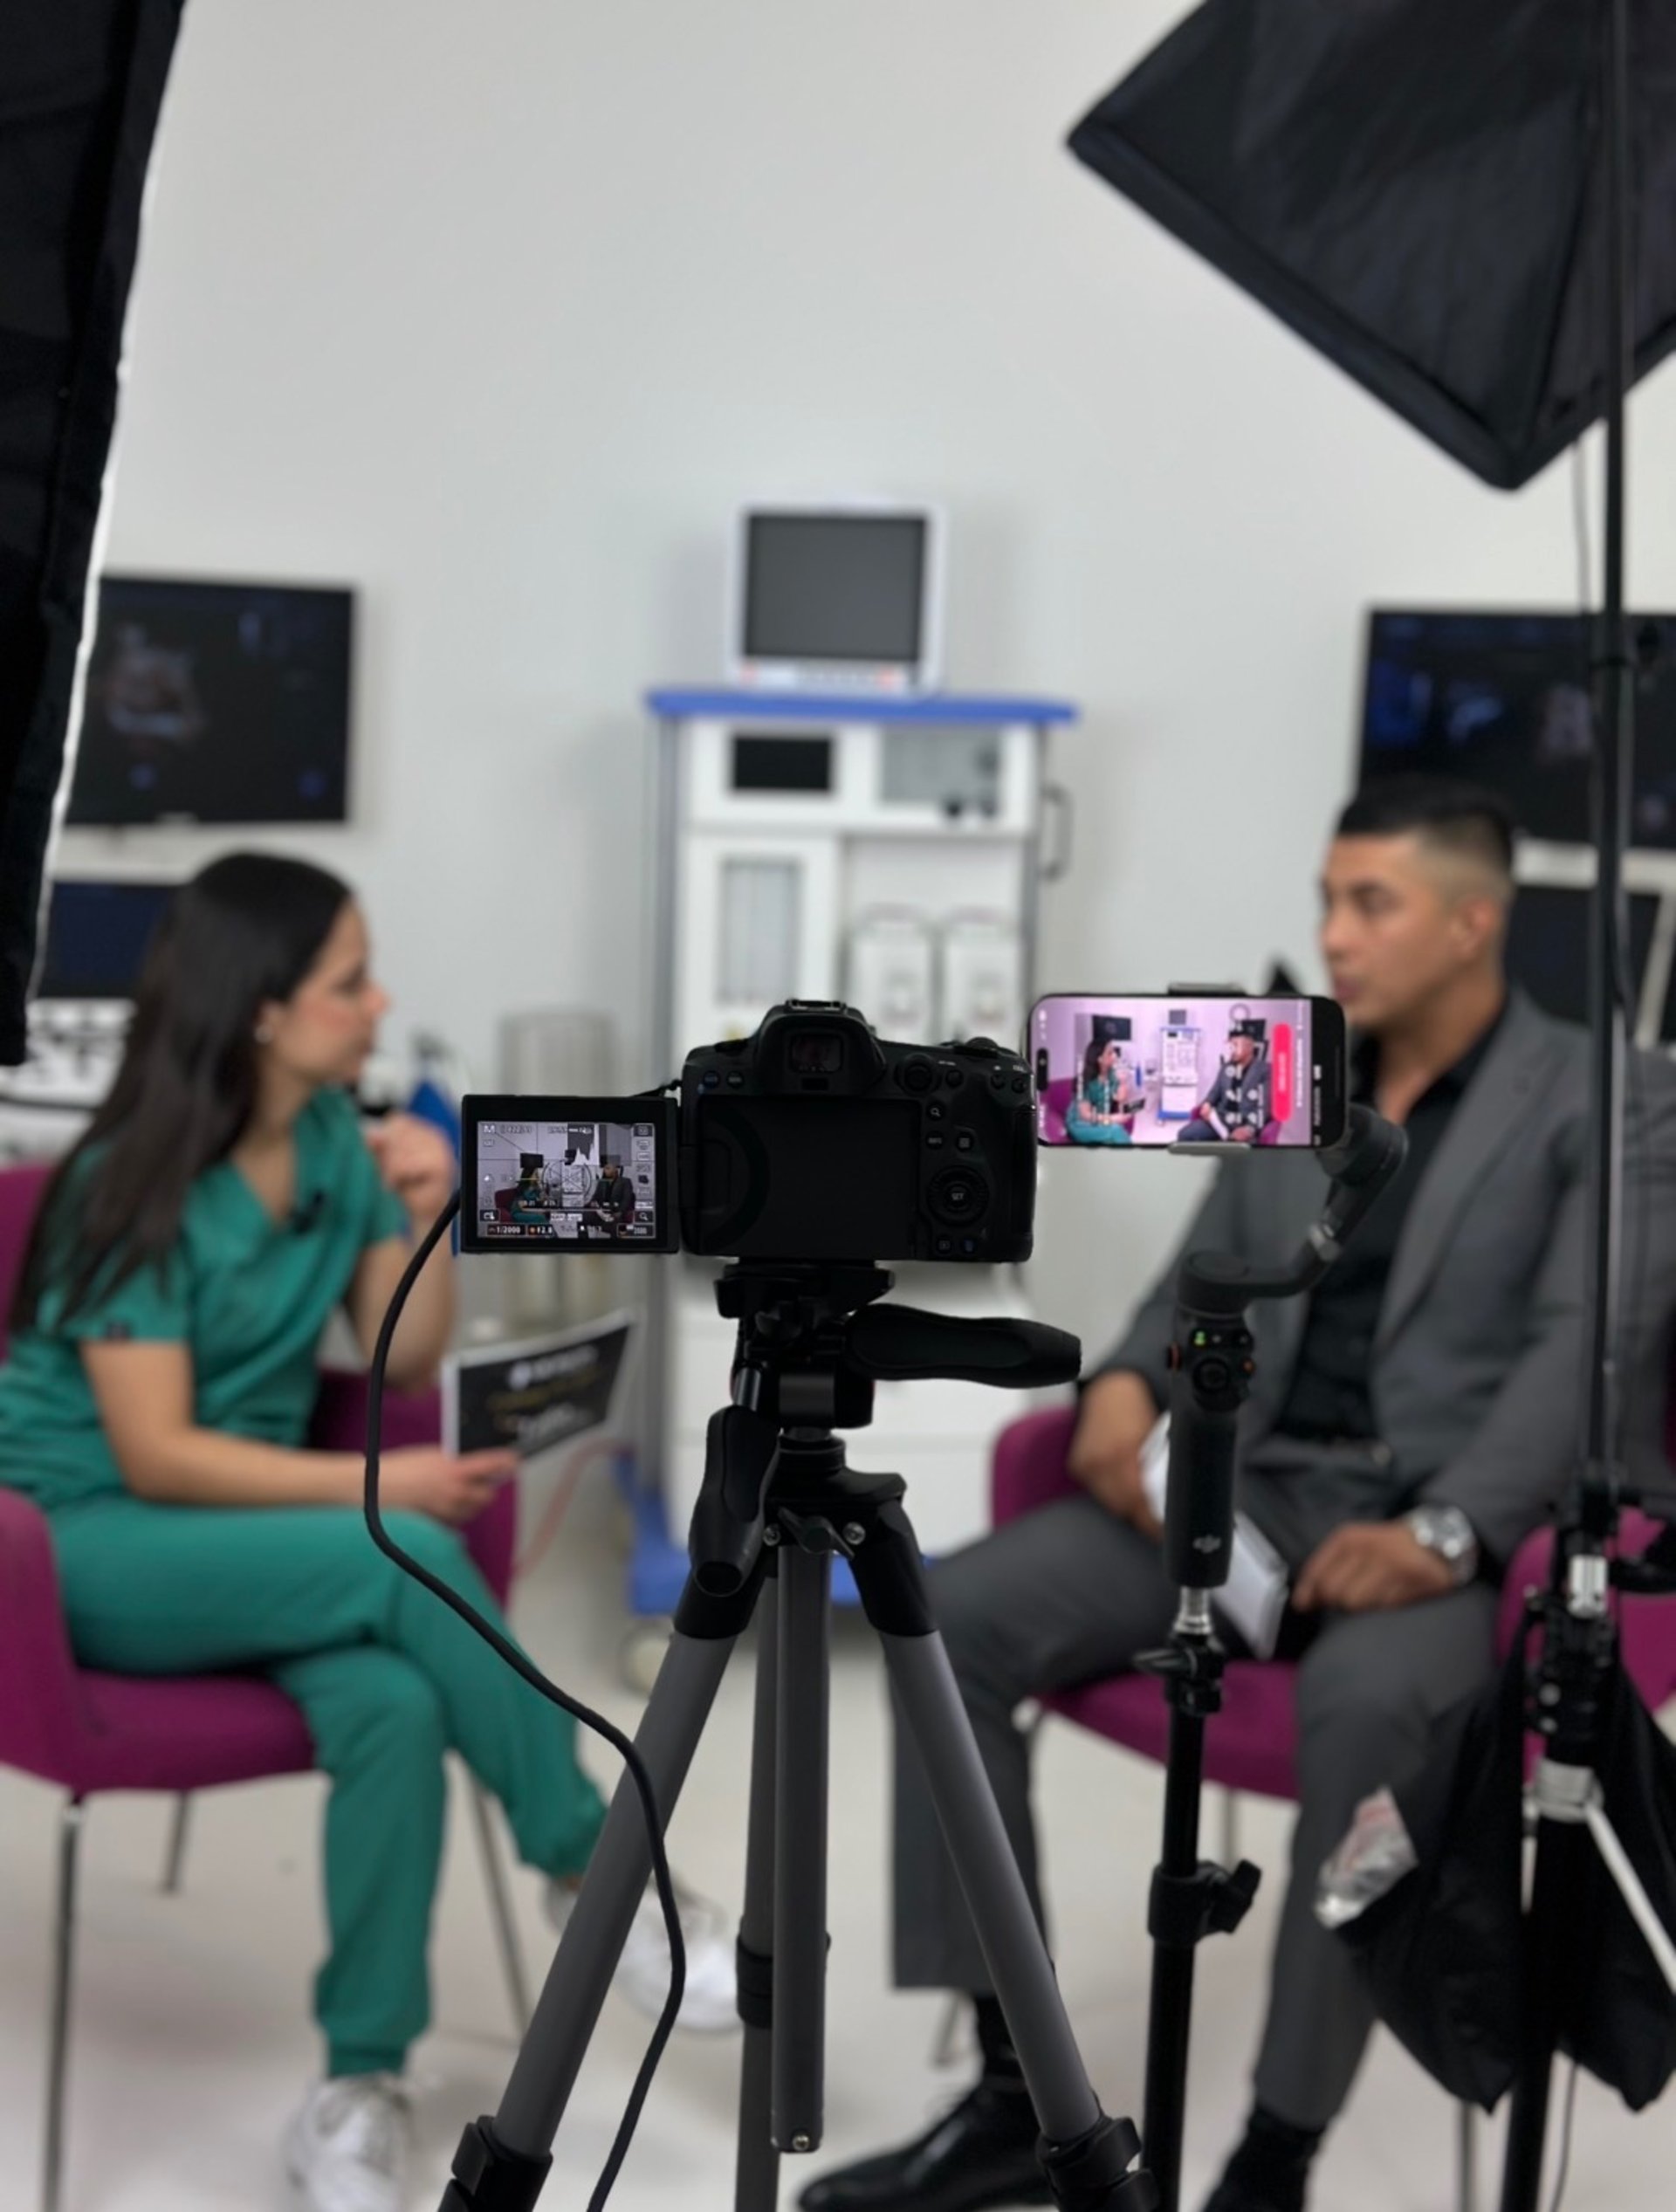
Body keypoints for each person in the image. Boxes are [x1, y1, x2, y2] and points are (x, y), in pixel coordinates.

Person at [800, 779, 1676, 2212]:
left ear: (1475, 920)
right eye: (1327, 898)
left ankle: (1277, 2150)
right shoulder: (1290, 1075)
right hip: (1239, 1490)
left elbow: (1582, 1347)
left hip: (1442, 1537)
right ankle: (1021, 2092)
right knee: (945, 1616)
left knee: (1369, 1710)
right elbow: (1181, 1289)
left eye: (1369, 902)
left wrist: (1446, 1529)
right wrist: (1128, 1389)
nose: (1331, 934)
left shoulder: (1608, 1096)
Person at [0, 855, 736, 2212]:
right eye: (351, 980)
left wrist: (423, 1210)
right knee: (395, 1552)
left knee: (395, 1703)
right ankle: (605, 1870)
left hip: (244, 1553)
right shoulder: (126, 1182)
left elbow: (410, 1366)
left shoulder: (337, 1145)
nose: (379, 1001)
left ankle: (356, 2083)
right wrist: (377, 1497)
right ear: (265, 1011)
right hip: (71, 1553)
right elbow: (153, 1450)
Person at [1178, 1018, 1273, 1144]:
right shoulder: (1226, 1067)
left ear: (1250, 1047)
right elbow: (1213, 1093)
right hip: (1220, 1121)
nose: (1231, 1049)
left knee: (1237, 1151)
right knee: (1184, 1135)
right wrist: (1207, 1104)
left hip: (1244, 1125)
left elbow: (1264, 1108)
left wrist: (1249, 1129)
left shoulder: (1264, 1070)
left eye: (1235, 1045)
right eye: (1230, 1045)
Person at [1066, 1036, 1137, 1145]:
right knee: (1115, 1130)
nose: (1115, 1056)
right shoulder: (1084, 1081)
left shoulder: (1112, 1074)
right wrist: (1112, 1119)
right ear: (1100, 1059)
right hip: (1081, 1124)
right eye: (1110, 1053)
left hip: (1099, 1120)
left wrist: (1123, 1082)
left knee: (1115, 1133)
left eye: (1114, 1051)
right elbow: (1086, 1115)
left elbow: (1121, 1101)